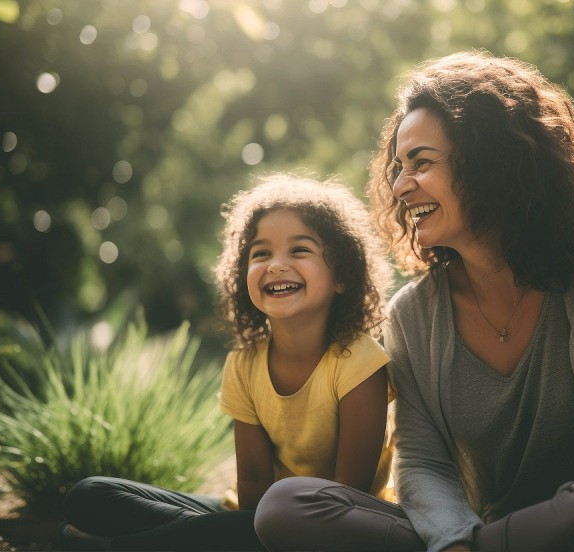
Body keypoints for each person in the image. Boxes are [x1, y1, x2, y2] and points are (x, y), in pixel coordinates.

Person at [253, 51, 574, 551]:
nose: (400, 185)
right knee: (288, 505)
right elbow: (423, 463)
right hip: (494, 533)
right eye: (398, 167)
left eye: (421, 163)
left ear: (490, 162)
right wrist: (454, 540)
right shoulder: (412, 316)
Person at [58, 174, 395, 551]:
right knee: (88, 495)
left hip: (332, 524)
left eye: (299, 250)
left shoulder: (359, 361)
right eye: (261, 253)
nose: (276, 265)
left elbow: (345, 499)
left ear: (342, 276)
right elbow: (251, 484)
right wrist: (231, 532)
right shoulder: (244, 363)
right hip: (252, 520)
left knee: (272, 520)